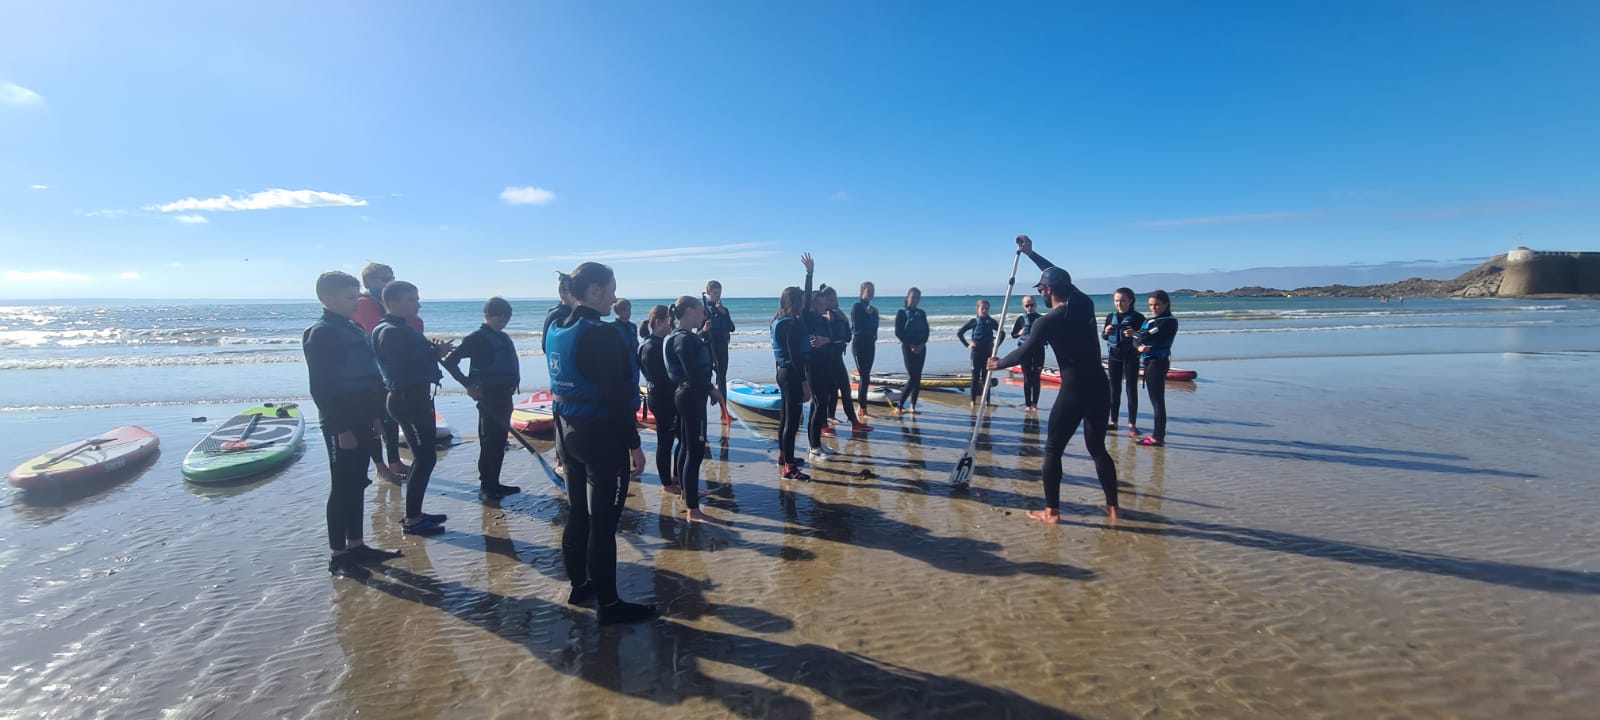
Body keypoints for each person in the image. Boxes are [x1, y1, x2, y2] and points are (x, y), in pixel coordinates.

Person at [545, 262, 656, 624]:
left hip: (567, 433)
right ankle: (609, 605)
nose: (614, 297)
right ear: (594, 290)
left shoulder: (556, 325)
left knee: (579, 514)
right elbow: (615, 396)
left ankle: (580, 586)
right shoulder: (601, 334)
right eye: (610, 289)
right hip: (601, 437)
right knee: (603, 524)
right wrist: (634, 444)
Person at [988, 235, 1120, 522]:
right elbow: (1059, 275)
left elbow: (1023, 353)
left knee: (1052, 450)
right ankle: (1113, 507)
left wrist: (998, 364)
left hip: (1074, 392)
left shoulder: (1047, 321)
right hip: (1100, 387)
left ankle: (1052, 512)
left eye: (1041, 289)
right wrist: (1031, 253)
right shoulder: (1084, 304)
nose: (1041, 294)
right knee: (1098, 449)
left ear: (1047, 290)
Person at [303, 271, 404, 579]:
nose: (356, 302)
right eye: (350, 297)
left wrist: (375, 417)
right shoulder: (320, 333)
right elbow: (320, 387)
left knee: (358, 483)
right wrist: (340, 428)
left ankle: (357, 545)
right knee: (342, 486)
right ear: (327, 298)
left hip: (364, 417)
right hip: (341, 422)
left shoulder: (354, 328)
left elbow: (370, 377)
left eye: (357, 296)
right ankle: (338, 556)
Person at [371, 281, 448, 536]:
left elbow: (414, 357)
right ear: (393, 302)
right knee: (425, 459)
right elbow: (403, 364)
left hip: (415, 398)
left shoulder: (399, 328)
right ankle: (413, 520)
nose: (418, 304)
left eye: (417, 298)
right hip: (407, 400)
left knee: (424, 458)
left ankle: (415, 513)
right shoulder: (390, 331)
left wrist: (433, 351)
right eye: (411, 299)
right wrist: (434, 353)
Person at [441, 296, 523, 500]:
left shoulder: (503, 337)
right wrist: (467, 384)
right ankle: (486, 487)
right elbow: (450, 362)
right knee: (489, 442)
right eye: (497, 316)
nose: (502, 320)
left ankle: (495, 483)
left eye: (506, 317)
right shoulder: (476, 338)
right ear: (486, 315)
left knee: (500, 441)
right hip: (488, 396)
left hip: (504, 395)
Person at [352, 262, 421, 483]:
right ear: (369, 281)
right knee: (375, 420)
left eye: (391, 277)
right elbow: (376, 331)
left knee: (390, 420)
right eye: (384, 278)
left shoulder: (384, 305)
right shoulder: (365, 304)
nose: (389, 281)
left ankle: (394, 461)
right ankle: (381, 467)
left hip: (385, 373)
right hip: (368, 372)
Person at [664, 296, 724, 522]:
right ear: (689, 311)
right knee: (695, 451)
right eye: (700, 311)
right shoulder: (682, 339)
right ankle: (693, 510)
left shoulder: (680, 336)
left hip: (686, 394)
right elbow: (691, 370)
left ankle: (685, 492)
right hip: (691, 396)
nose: (704, 316)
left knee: (686, 446)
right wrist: (712, 389)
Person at [771, 254, 817, 480]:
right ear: (794, 302)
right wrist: (804, 382)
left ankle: (784, 456)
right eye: (800, 301)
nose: (804, 303)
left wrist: (809, 274)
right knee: (793, 419)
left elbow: (807, 300)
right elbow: (795, 355)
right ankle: (789, 467)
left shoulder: (778, 320)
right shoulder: (791, 324)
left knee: (785, 417)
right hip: (792, 374)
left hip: (782, 373)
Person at [638, 305, 680, 493]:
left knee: (680, 438)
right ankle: (666, 483)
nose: (672, 327)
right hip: (661, 398)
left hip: (666, 396)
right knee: (666, 441)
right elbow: (662, 377)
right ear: (658, 322)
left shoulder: (660, 343)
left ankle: (676, 476)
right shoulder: (651, 347)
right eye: (670, 323)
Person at [1135, 290, 1179, 447]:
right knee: (1154, 399)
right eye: (1151, 305)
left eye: (1157, 305)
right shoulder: (1149, 321)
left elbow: (1145, 336)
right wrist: (1139, 347)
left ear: (1166, 304)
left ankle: (1157, 436)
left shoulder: (1169, 322)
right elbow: (1137, 339)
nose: (1153, 308)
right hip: (1148, 362)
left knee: (1157, 400)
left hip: (1158, 362)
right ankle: (1157, 434)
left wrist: (1136, 336)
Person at [822, 286, 869, 432]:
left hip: (837, 357)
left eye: (835, 299)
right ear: (823, 300)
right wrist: (830, 323)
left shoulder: (839, 315)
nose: (833, 302)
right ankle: (824, 422)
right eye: (830, 299)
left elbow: (848, 337)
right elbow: (824, 338)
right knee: (827, 391)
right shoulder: (820, 317)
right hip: (825, 359)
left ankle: (854, 422)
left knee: (844, 389)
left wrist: (845, 321)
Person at [805, 284, 845, 457]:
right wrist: (809, 274)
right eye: (820, 304)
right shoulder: (808, 319)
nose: (824, 306)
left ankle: (816, 442)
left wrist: (826, 340)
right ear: (812, 305)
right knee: (818, 404)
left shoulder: (825, 320)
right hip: (812, 366)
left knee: (820, 404)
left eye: (824, 303)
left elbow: (840, 338)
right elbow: (806, 340)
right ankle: (814, 446)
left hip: (826, 364)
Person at [1102, 287, 1146, 435]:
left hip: (1131, 357)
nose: (1119, 304)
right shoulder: (1110, 316)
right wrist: (1106, 332)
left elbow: (1145, 337)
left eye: (1122, 301)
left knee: (1131, 390)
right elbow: (1104, 337)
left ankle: (1132, 424)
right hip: (1114, 357)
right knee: (1114, 390)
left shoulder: (1138, 318)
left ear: (1130, 301)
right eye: (1116, 301)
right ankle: (1113, 421)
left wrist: (1134, 334)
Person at [957, 298, 1000, 406]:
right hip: (976, 353)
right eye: (982, 309)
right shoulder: (974, 321)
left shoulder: (991, 322)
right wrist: (967, 345)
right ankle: (973, 401)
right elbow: (960, 333)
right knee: (975, 378)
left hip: (988, 353)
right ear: (977, 309)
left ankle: (987, 401)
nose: (984, 311)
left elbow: (1002, 334)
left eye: (986, 309)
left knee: (986, 378)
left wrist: (996, 345)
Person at [894, 288, 929, 414]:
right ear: (907, 297)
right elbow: (898, 332)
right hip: (908, 347)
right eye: (913, 297)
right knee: (913, 376)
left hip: (921, 348)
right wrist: (911, 345)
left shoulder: (921, 313)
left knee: (918, 376)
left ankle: (912, 405)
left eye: (917, 298)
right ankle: (900, 405)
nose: (915, 300)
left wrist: (922, 344)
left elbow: (926, 330)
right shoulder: (901, 313)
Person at [701, 280, 736, 406]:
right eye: (715, 293)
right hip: (708, 348)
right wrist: (704, 330)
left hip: (722, 348)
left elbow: (732, 328)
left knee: (722, 378)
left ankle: (723, 408)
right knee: (706, 378)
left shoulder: (724, 310)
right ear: (708, 292)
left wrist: (724, 313)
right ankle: (705, 403)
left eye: (719, 293)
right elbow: (698, 335)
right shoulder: (703, 310)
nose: (718, 296)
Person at [850, 281, 879, 417]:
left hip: (870, 344)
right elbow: (855, 325)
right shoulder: (857, 306)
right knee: (863, 375)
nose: (871, 293)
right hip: (859, 344)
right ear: (862, 292)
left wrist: (874, 337)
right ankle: (861, 408)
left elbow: (875, 327)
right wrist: (866, 314)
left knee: (867, 376)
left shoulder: (874, 309)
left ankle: (863, 407)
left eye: (873, 290)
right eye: (869, 291)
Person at [1011, 295, 1045, 411]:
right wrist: (1019, 333)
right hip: (1025, 351)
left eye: (1032, 305)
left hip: (1038, 351)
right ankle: (1027, 404)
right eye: (1027, 305)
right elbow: (1013, 334)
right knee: (1027, 377)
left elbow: (1049, 335)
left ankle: (1035, 404)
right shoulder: (1021, 319)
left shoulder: (1041, 319)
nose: (1030, 307)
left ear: (1036, 305)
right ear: (1023, 306)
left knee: (1036, 377)